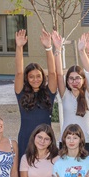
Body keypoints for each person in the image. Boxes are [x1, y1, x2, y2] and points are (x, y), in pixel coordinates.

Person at [14, 29, 58, 160]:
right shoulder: (21, 93)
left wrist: (48, 47)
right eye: (31, 77)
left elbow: (52, 73)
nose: (35, 79)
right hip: (26, 138)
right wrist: (19, 47)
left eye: (38, 76)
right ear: (27, 78)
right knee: (25, 169)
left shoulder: (48, 93)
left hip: (46, 139)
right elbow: (19, 73)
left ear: (43, 77)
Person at [52, 31, 89, 157]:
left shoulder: (88, 94)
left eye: (77, 78)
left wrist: (88, 51)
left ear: (83, 80)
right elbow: (59, 74)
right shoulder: (65, 94)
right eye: (71, 78)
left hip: (85, 141)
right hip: (66, 140)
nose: (74, 81)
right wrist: (58, 49)